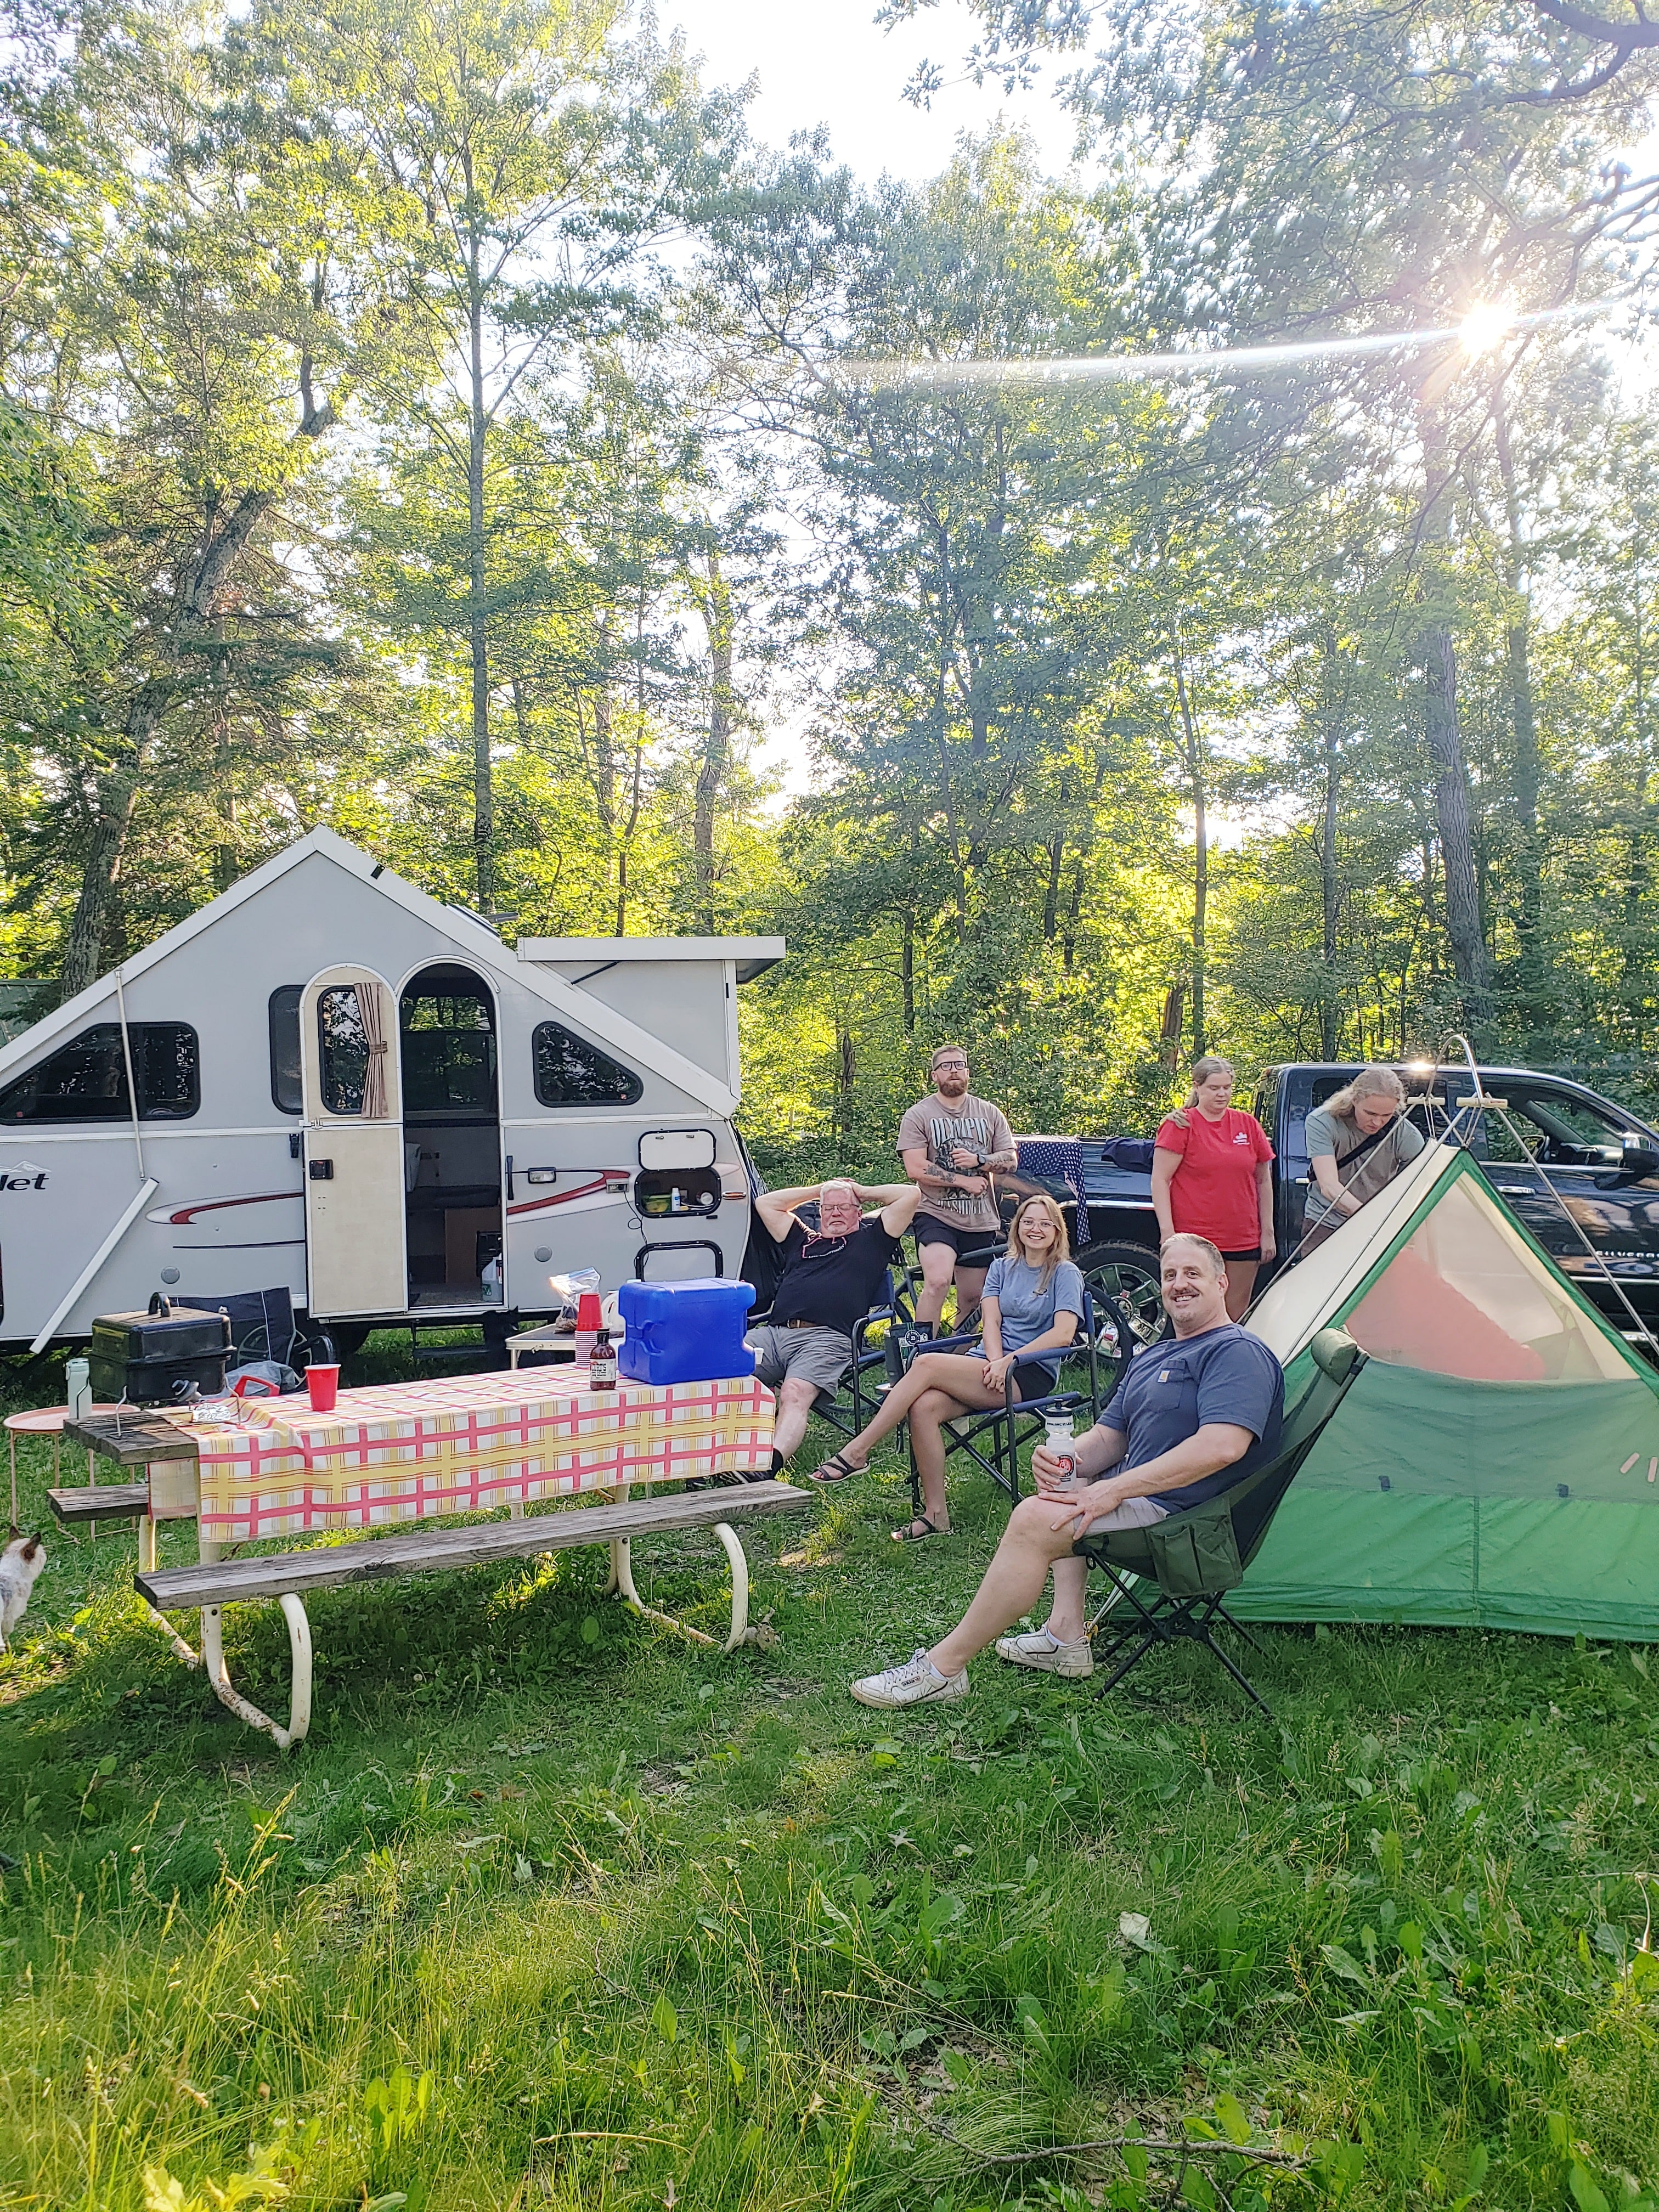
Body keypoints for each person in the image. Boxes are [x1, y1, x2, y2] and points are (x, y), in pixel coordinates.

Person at [849, 1234, 1284, 1706]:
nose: (1179, 1285)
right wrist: (1066, 1458)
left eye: (1193, 1274)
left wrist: (1115, 1490)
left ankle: (944, 1669)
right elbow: (1108, 1438)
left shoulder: (1235, 1351)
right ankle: (1066, 1637)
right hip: (1154, 1503)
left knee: (1037, 1520)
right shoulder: (1155, 1355)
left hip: (1192, 1525)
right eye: (1170, 1275)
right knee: (1065, 1482)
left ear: (1222, 1282)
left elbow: (1222, 1447)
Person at [809, 1194, 1085, 1539]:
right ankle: (936, 1514)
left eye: (1045, 1223)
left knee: (926, 1363)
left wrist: (1009, 1362)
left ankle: (858, 1450)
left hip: (1029, 1370)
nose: (1036, 1229)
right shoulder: (1002, 1266)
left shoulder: (1065, 1273)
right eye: (1029, 1222)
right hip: (989, 1365)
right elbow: (992, 1322)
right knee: (923, 1407)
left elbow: (1063, 1334)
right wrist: (995, 1360)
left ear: (1057, 1232)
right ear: (1018, 1227)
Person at [742, 1176, 922, 1471]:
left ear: (859, 1212)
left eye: (844, 1207)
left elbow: (910, 1195)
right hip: (774, 1334)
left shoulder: (872, 1240)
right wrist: (819, 1190)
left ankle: (765, 1466)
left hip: (828, 1338)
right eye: (829, 1208)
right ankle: (718, 1456)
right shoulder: (801, 1239)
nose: (836, 1213)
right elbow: (765, 1203)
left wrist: (861, 1190)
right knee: (723, 1367)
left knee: (794, 1393)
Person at [898, 1046, 1018, 1335]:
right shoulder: (919, 1115)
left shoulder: (989, 1113)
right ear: (934, 1075)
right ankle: (918, 1354)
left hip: (980, 1220)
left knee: (972, 1298)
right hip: (936, 1215)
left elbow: (1011, 1159)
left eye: (960, 1065)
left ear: (968, 1072)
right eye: (946, 1065)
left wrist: (981, 1161)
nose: (954, 1070)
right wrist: (962, 1180)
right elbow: (915, 1168)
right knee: (938, 1282)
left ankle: (953, 1359)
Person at [1152, 1056, 1275, 1319]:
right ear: (1197, 1087)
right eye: (1214, 1088)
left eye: (1227, 1088)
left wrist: (1268, 1231)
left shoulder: (1248, 1124)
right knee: (1193, 1313)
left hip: (1242, 1236)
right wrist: (1168, 1233)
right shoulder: (1181, 1124)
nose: (1222, 1094)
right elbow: (1160, 1179)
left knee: (1234, 1314)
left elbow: (1264, 1180)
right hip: (1196, 1237)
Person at [1298, 1065, 1425, 1256]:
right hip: (1326, 1223)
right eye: (1371, 1114)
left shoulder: (1406, 1135)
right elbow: (1329, 1186)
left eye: (1386, 1116)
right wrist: (1368, 1218)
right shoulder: (1322, 1122)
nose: (1377, 1123)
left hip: (1381, 1230)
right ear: (1355, 1100)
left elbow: (1419, 1187)